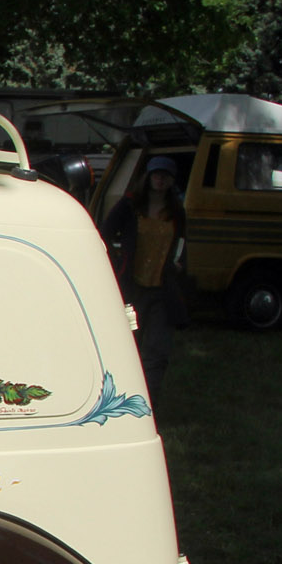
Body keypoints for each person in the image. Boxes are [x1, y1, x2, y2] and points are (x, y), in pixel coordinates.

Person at [103, 155, 190, 397]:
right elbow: (105, 232)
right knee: (127, 346)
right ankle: (123, 394)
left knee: (156, 351)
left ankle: (149, 402)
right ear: (148, 177)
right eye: (156, 174)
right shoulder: (130, 205)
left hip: (162, 290)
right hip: (132, 289)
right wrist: (117, 259)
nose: (160, 180)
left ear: (172, 181)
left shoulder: (176, 211)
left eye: (166, 176)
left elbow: (182, 243)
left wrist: (180, 265)